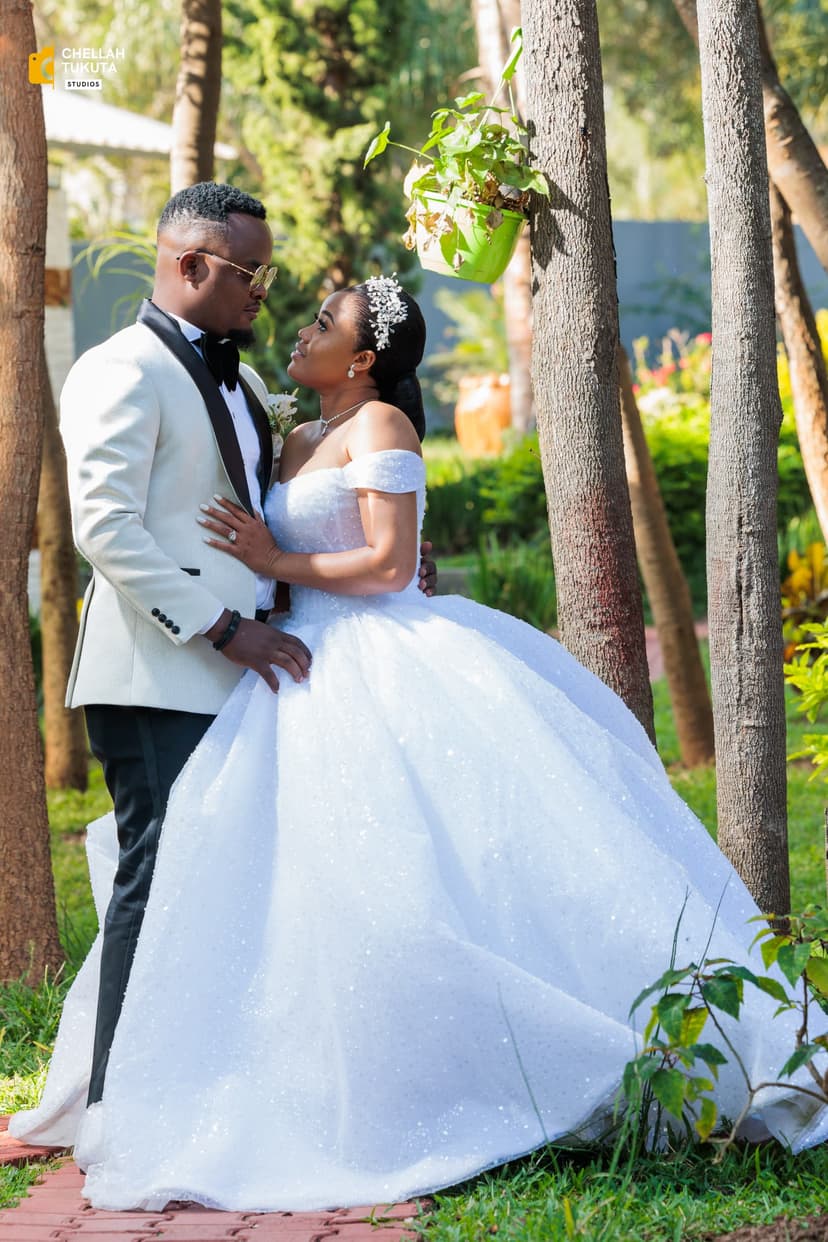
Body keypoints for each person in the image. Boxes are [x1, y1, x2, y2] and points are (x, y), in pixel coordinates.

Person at [11, 278, 828, 1211]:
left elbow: (392, 564)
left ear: (362, 362)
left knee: (432, 865)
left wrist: (273, 560)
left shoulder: (382, 430)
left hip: (378, 661)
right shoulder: (296, 435)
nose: (304, 329)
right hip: (293, 665)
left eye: (324, 324)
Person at [32, 184, 435, 1118]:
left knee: (227, 886)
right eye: (251, 272)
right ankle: (118, 1106)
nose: (265, 292)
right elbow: (105, 529)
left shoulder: (250, 385)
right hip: (162, 671)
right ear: (191, 265)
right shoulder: (117, 369)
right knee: (158, 876)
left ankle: (206, 1085)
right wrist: (223, 628)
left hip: (251, 679)